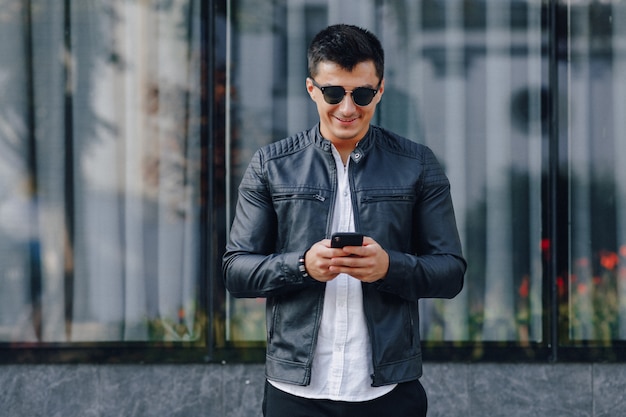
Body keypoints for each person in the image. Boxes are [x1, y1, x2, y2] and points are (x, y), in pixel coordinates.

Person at [222, 24, 466, 417]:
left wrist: (390, 267)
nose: (348, 108)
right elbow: (236, 271)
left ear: (380, 91)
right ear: (311, 89)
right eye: (333, 92)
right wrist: (302, 265)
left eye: (362, 93)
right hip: (294, 392)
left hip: (388, 390)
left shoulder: (418, 164)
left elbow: (451, 273)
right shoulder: (271, 165)